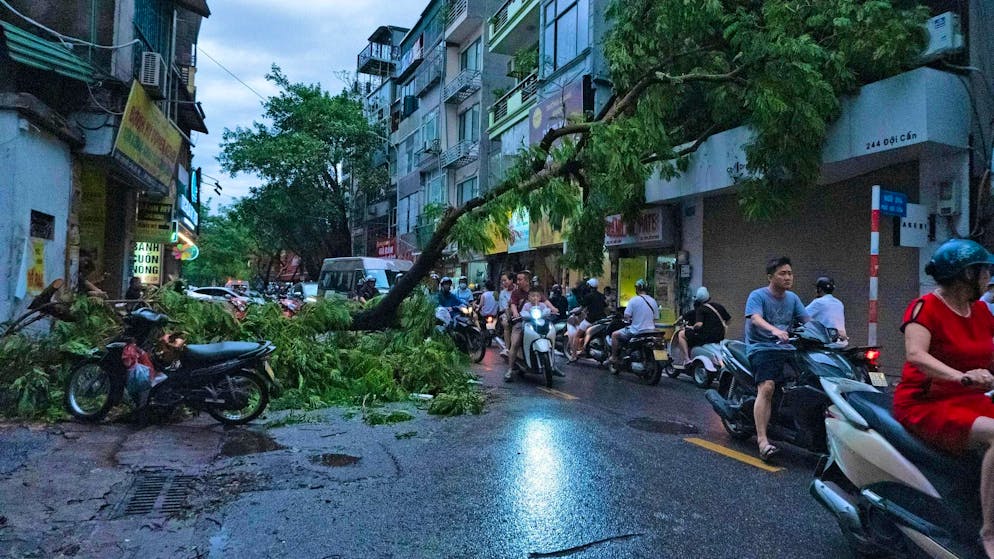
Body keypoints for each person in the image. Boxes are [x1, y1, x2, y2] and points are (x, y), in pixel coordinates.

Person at [891, 239, 994, 558]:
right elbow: (916, 355)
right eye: (984, 271)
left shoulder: (978, 310)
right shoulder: (925, 307)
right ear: (967, 274)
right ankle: (989, 531)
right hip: (926, 403)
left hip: (968, 398)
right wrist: (960, 376)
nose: (988, 277)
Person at [745, 256, 809, 461]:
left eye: (790, 273)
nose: (788, 277)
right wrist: (775, 330)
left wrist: (833, 333)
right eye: (783, 273)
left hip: (787, 348)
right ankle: (763, 441)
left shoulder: (793, 298)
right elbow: (755, 318)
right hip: (762, 347)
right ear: (770, 276)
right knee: (768, 387)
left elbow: (808, 320)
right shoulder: (757, 296)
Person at [675, 286, 731, 367]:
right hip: (720, 337)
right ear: (709, 297)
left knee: (681, 334)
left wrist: (692, 327)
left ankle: (687, 359)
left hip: (705, 337)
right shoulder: (718, 306)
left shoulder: (701, 309)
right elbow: (728, 320)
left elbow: (699, 325)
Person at [610, 279, 660, 368]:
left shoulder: (634, 300)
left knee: (614, 335)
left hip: (636, 330)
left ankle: (614, 358)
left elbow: (627, 316)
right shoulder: (653, 301)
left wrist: (628, 319)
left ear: (637, 288)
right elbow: (655, 318)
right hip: (650, 331)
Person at [571, 278, 608, 360]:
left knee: (577, 335)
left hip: (591, 319)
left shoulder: (588, 296)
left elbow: (581, 307)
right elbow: (605, 307)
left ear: (588, 286)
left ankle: (573, 356)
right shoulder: (601, 296)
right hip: (602, 319)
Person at [505, 270, 532, 382]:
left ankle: (552, 365)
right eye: (517, 279)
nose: (518, 282)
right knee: (515, 343)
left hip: (535, 321)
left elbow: (544, 301)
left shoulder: (535, 291)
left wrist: (552, 309)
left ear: (527, 281)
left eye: (520, 280)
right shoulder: (516, 293)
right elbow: (513, 305)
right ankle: (510, 370)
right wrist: (516, 313)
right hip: (520, 321)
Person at [806, 276, 848, 342]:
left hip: (826, 342)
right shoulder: (839, 303)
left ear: (819, 289)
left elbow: (801, 315)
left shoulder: (818, 302)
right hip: (842, 341)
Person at [497, 272, 514, 356]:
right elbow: (504, 308)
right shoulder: (503, 293)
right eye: (502, 281)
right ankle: (507, 348)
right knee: (506, 324)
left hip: (519, 313)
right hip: (505, 313)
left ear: (511, 280)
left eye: (505, 280)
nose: (503, 283)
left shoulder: (517, 291)